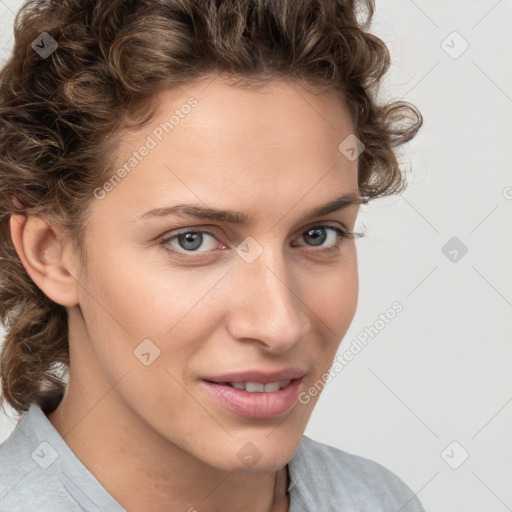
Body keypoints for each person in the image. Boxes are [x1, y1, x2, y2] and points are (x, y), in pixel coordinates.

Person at [0, 0, 424, 510]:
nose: (279, 324)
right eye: (192, 240)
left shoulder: (379, 500)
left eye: (318, 235)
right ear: (51, 255)